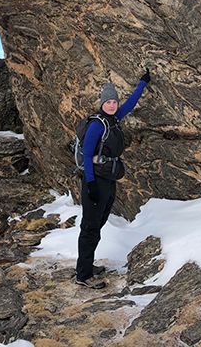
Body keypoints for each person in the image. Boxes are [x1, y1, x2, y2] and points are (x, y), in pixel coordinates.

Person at [75, 68, 151, 289]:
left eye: (114, 102)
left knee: (98, 224)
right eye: (108, 102)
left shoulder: (115, 118)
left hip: (108, 180)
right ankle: (83, 275)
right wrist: (90, 183)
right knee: (90, 226)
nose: (112, 105)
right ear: (102, 103)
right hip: (95, 181)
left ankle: (87, 266)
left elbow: (131, 103)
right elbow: (88, 155)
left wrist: (142, 83)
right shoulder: (97, 125)